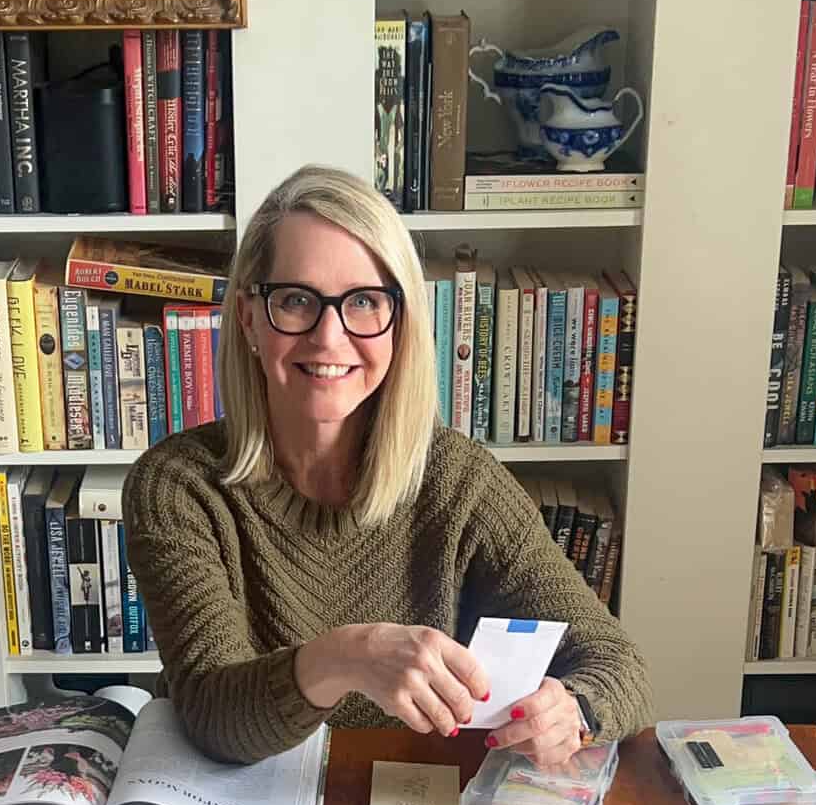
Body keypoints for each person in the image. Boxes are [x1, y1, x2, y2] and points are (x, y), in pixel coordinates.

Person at [123, 164, 653, 767]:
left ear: (401, 326)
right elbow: (213, 716)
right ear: (248, 316)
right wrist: (346, 657)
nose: (329, 338)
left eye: (366, 302)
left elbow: (618, 663)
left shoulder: (457, 480)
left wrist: (574, 711)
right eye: (296, 300)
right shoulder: (179, 486)